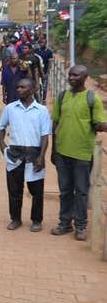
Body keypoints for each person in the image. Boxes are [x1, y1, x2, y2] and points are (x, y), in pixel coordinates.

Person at [50, 65, 107, 241]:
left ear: (85, 77)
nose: (71, 78)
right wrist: (53, 150)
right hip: (62, 152)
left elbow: (99, 123)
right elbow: (55, 124)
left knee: (81, 191)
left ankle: (81, 226)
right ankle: (64, 223)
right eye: (70, 75)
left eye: (76, 75)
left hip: (82, 154)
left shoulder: (92, 99)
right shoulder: (62, 96)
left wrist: (101, 126)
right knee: (65, 190)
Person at [0, 78, 50, 233]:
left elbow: (45, 135)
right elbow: (1, 127)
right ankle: (15, 219)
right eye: (18, 87)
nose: (18, 89)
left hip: (34, 155)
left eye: (22, 87)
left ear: (32, 89)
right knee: (14, 190)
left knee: (37, 191)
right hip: (15, 154)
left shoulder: (41, 110)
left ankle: (36, 220)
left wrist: (41, 156)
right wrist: (2, 144)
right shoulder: (10, 108)